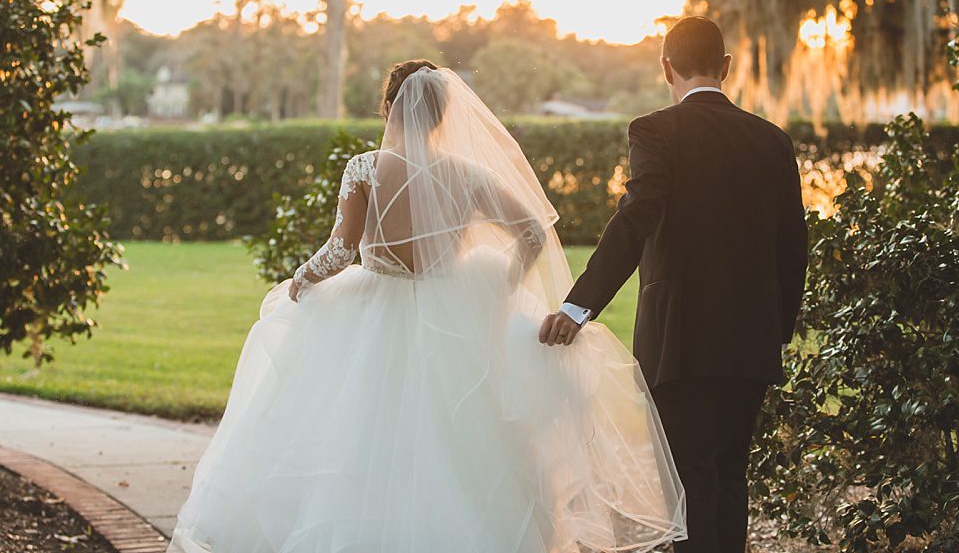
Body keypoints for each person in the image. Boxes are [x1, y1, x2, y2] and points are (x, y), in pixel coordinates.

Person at [167, 60, 686, 553]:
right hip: (449, 313)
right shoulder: (464, 172)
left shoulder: (365, 168)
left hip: (370, 310)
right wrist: (501, 282)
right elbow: (532, 228)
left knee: (357, 435)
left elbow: (343, 249)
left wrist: (300, 280)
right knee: (451, 439)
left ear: (389, 108)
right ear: (442, 113)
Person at [540, 16, 808, 553]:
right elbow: (792, 246)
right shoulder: (773, 141)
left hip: (679, 339)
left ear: (666, 67)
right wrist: (776, 329)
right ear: (726, 67)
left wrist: (577, 307)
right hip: (752, 341)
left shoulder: (655, 130)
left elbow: (636, 217)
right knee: (731, 476)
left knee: (688, 482)